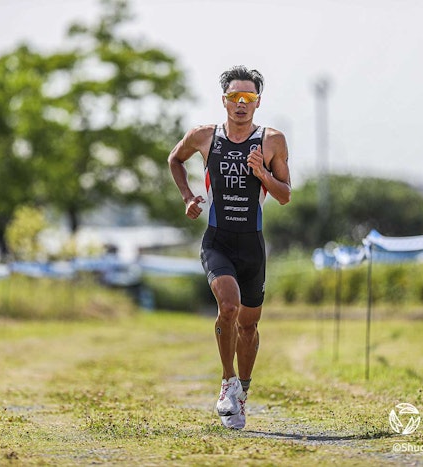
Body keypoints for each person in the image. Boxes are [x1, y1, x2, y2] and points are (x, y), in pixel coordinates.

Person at [167, 65, 291, 430]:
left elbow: (285, 195)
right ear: (224, 100)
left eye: (248, 97)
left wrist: (263, 174)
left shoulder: (271, 141)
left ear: (257, 102)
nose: (241, 103)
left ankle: (242, 392)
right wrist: (188, 197)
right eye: (235, 96)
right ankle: (227, 381)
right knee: (229, 307)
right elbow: (175, 159)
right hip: (218, 240)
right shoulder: (205, 136)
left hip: (252, 245)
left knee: (249, 327)